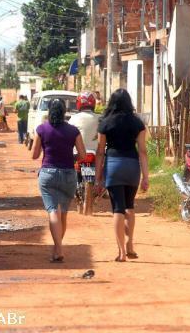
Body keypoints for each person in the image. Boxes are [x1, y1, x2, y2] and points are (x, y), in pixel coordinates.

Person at [95, 89, 149, 263]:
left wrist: (98, 177)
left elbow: (100, 152)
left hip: (114, 166)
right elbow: (142, 151)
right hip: (132, 166)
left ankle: (121, 253)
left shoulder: (105, 123)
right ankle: (130, 244)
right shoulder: (137, 123)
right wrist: (146, 177)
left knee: (118, 208)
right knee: (130, 207)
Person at [32, 99, 86, 263]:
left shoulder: (41, 129)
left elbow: (34, 155)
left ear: (49, 111)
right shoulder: (73, 131)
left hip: (48, 175)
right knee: (63, 214)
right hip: (69, 175)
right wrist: (71, 156)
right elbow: (83, 156)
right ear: (64, 112)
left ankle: (59, 250)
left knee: (52, 212)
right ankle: (57, 249)